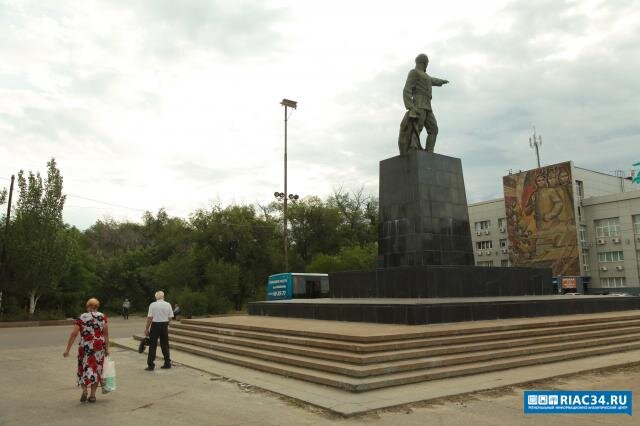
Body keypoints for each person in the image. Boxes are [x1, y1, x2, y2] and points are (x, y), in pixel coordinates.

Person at [398, 53, 449, 155]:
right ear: (424, 63)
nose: (427, 66)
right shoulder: (414, 72)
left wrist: (441, 81)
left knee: (433, 129)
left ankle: (429, 152)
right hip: (418, 104)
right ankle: (413, 149)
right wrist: (410, 106)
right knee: (417, 128)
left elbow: (432, 80)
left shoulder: (425, 76)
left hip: (428, 106)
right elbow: (406, 90)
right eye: (427, 63)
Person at [63, 297, 109, 403]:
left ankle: (84, 390)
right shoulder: (103, 317)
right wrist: (107, 349)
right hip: (98, 347)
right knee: (96, 369)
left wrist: (67, 350)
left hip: (85, 347)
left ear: (88, 306)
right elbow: (106, 334)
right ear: (97, 307)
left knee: (83, 368)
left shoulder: (82, 317)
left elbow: (74, 334)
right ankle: (92, 395)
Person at [144, 290, 173, 370]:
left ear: (156, 297)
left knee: (152, 345)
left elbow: (150, 318)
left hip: (155, 325)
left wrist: (147, 328)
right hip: (164, 325)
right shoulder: (168, 304)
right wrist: (166, 323)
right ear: (163, 296)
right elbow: (170, 317)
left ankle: (151, 365)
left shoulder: (152, 305)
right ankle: (167, 363)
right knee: (165, 345)